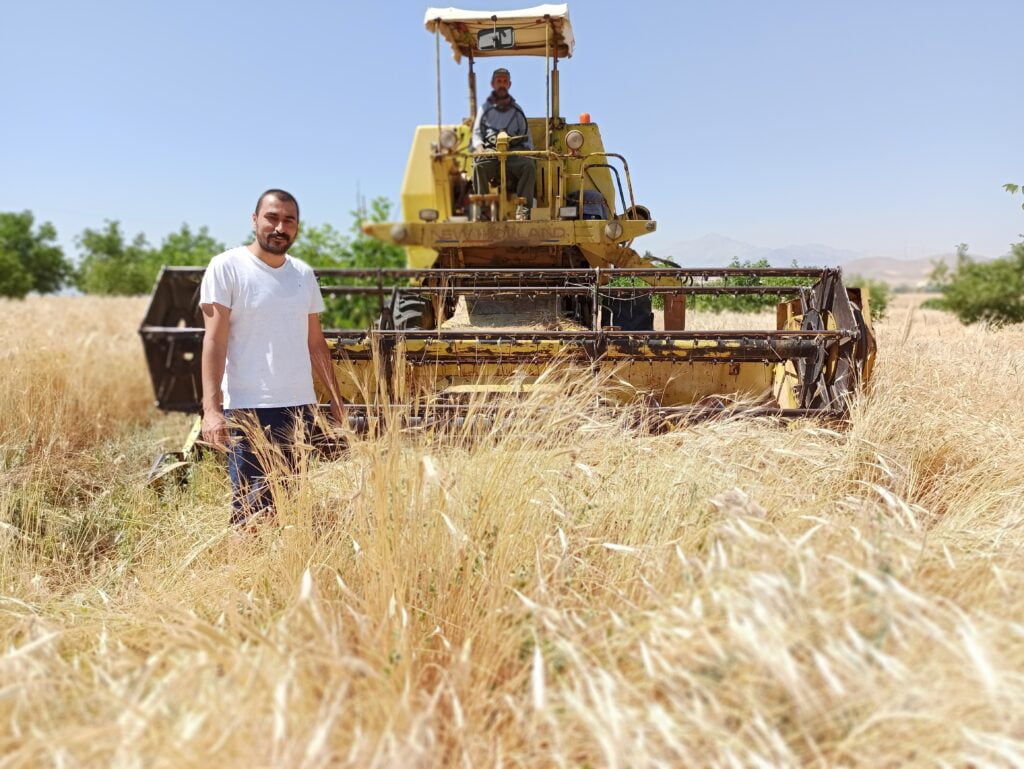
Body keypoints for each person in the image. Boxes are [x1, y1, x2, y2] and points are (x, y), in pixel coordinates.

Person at [199, 189, 346, 526]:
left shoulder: (303, 275)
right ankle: (243, 575)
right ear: (255, 220)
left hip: (300, 407)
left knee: (291, 506)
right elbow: (215, 340)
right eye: (272, 218)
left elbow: (316, 343)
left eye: (288, 220)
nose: (280, 227)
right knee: (250, 511)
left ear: (296, 227)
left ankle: (279, 576)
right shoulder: (227, 267)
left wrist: (337, 402)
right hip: (250, 407)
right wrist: (212, 410)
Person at [471, 67, 536, 221]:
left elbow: (526, 135)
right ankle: (484, 210)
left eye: (504, 81)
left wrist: (528, 151)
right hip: (492, 151)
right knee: (478, 166)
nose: (502, 84)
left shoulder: (516, 109)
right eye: (499, 81)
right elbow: (477, 132)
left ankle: (523, 208)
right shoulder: (485, 109)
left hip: (513, 151)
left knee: (529, 166)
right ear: (493, 84)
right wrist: (479, 147)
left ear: (509, 85)